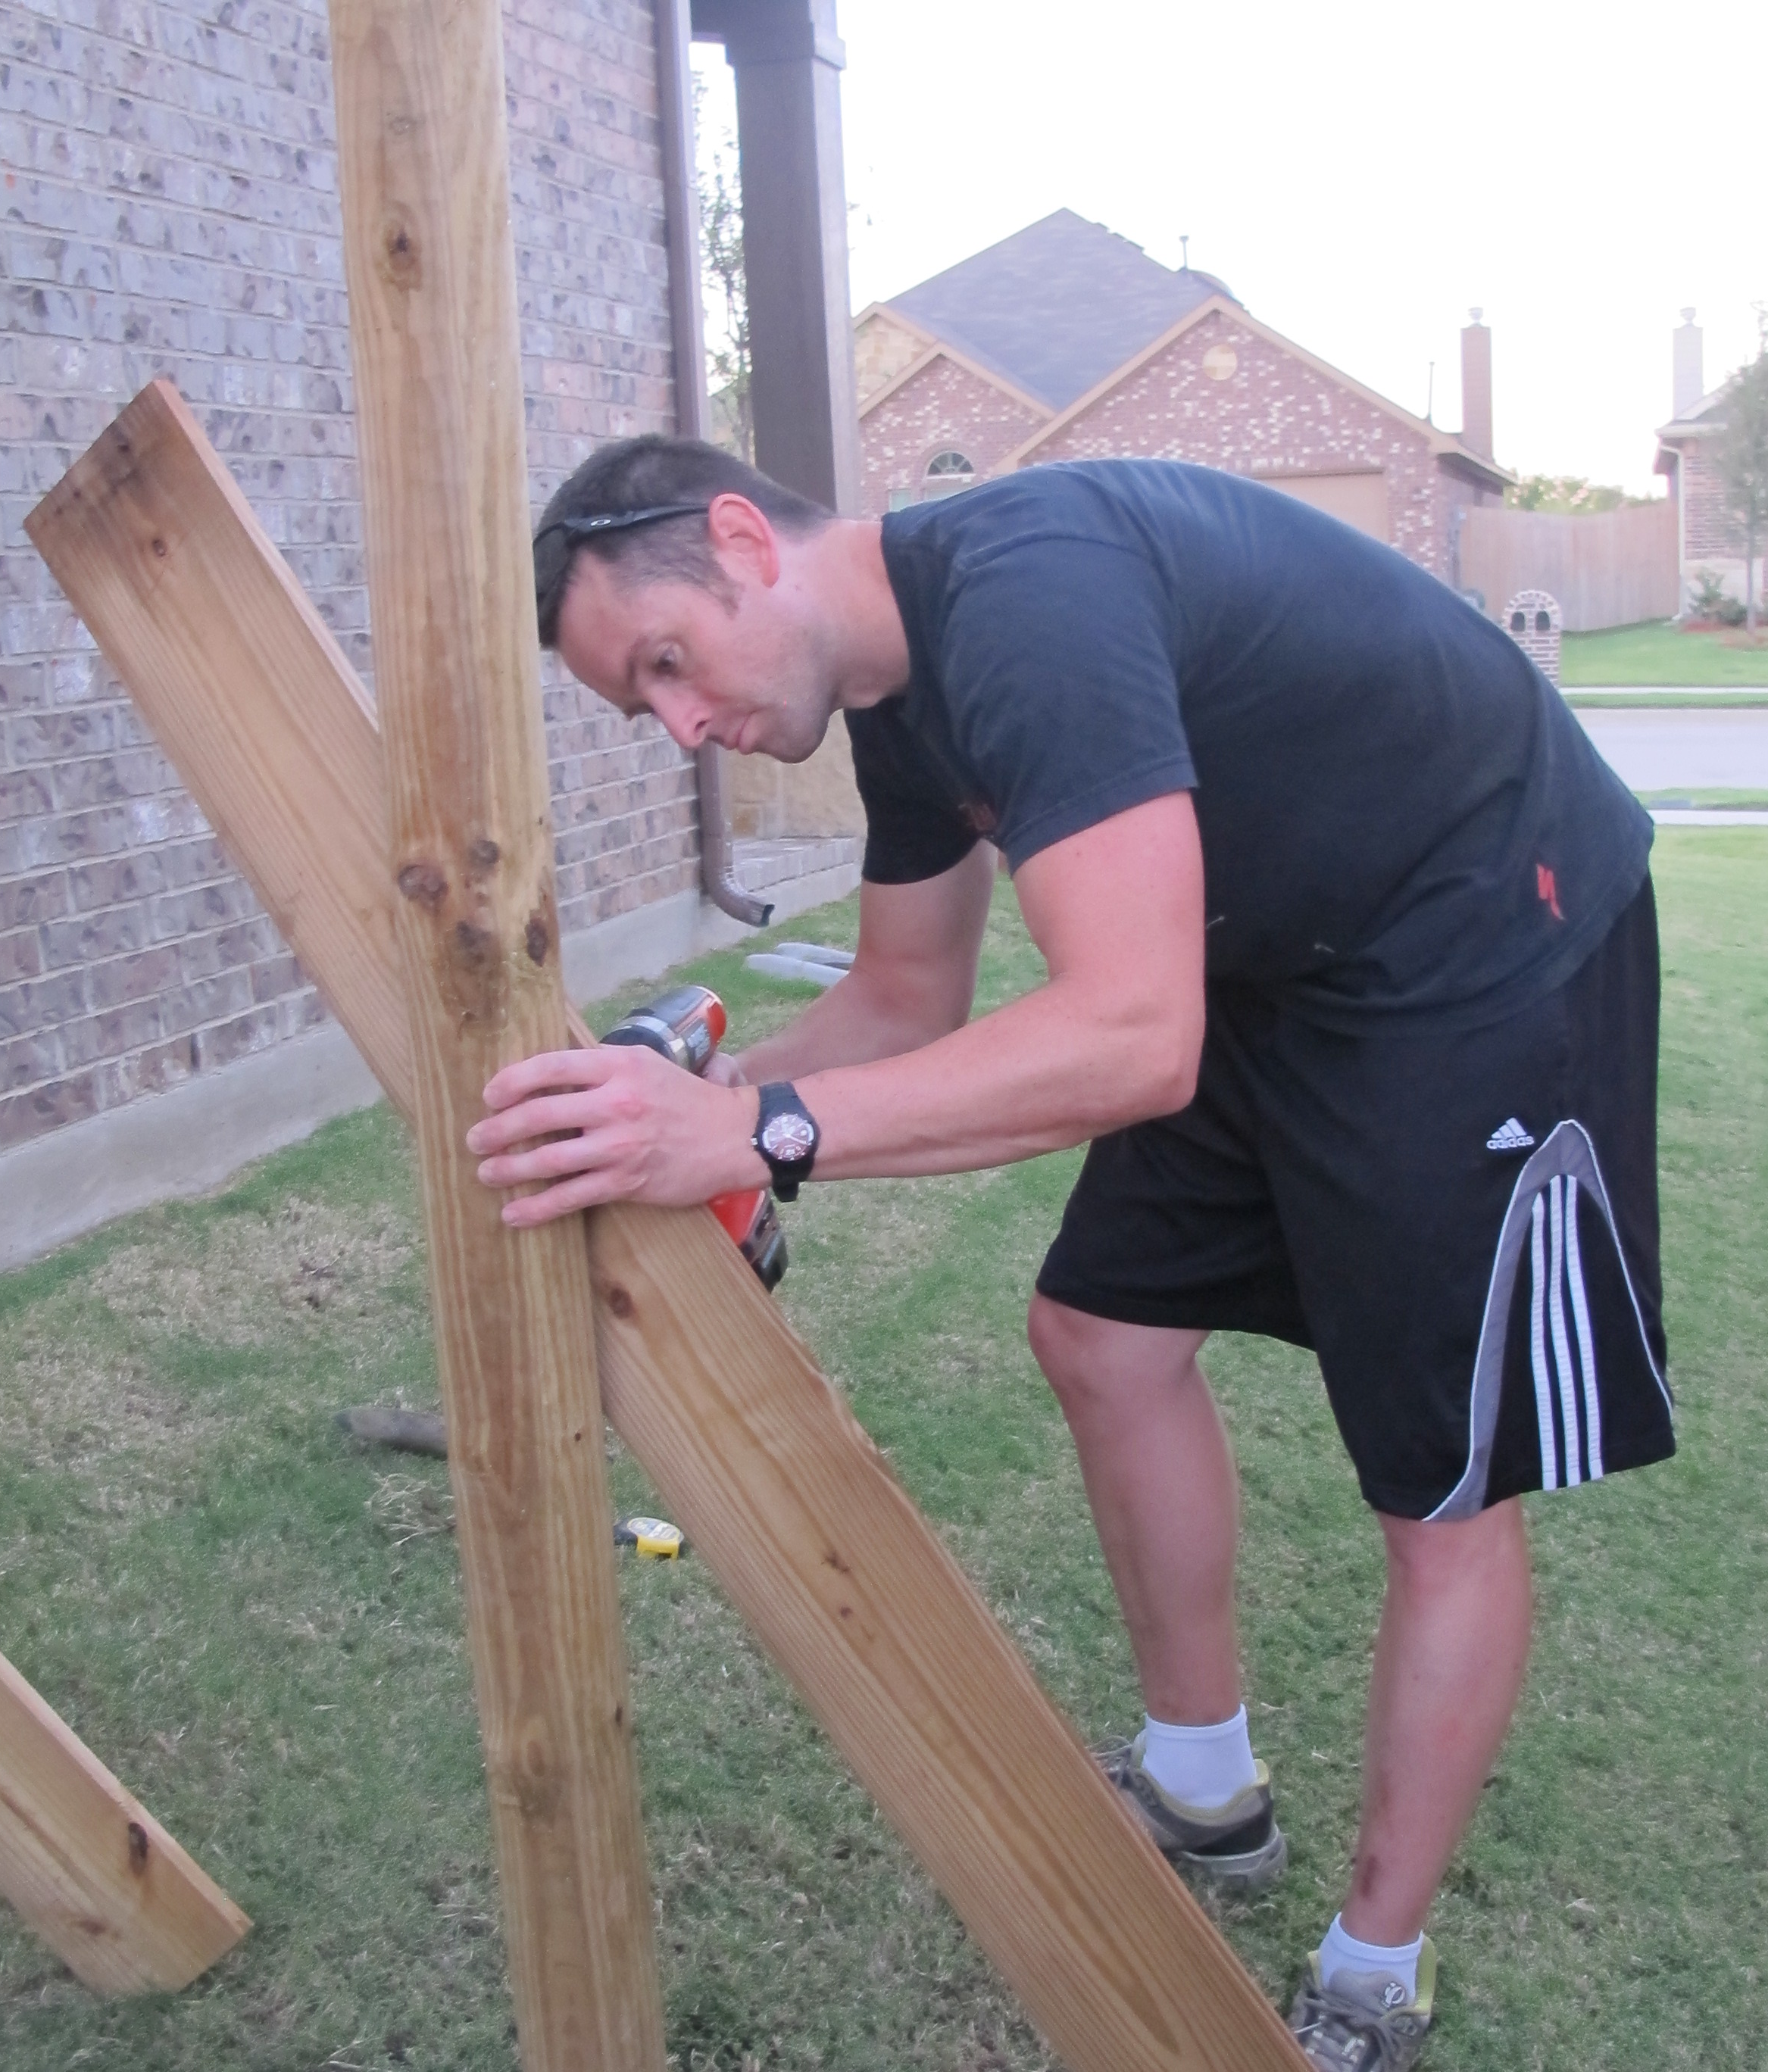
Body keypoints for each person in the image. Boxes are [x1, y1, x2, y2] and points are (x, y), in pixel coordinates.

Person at [468, 438, 1676, 2069]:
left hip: (1477, 934)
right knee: (1102, 1334)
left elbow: (1131, 1038)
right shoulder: (898, 692)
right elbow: (904, 1000)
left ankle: (1375, 1970)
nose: (683, 726)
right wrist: (687, 1104)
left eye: (668, 664)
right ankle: (1202, 1783)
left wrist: (751, 1138)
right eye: (645, 708)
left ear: (744, 539)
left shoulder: (1031, 599)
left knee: (1439, 1488)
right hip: (1268, 958)